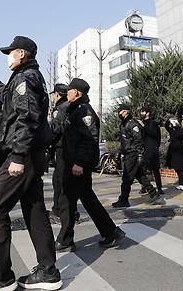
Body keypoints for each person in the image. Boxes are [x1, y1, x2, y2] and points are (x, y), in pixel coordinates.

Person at [0, 36, 62, 291]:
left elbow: (27, 117)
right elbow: (11, 97)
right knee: (34, 210)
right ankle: (48, 271)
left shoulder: (25, 78)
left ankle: (2, 276)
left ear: (22, 53)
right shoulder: (25, 77)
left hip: (22, 154)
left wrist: (18, 157)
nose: (8, 57)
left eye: (10, 52)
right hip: (31, 153)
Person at [55, 78, 123, 252]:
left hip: (78, 166)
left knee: (67, 201)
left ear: (77, 92)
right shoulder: (75, 109)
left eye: (69, 90)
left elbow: (90, 140)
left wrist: (79, 163)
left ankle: (65, 239)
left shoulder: (85, 112)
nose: (67, 93)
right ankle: (111, 232)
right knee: (88, 200)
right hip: (74, 163)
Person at [112, 104, 165, 208]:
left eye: (121, 111)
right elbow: (125, 141)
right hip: (128, 153)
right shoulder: (124, 123)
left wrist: (140, 154)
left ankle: (123, 199)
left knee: (127, 178)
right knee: (140, 176)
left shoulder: (131, 123)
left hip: (133, 154)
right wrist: (120, 152)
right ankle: (155, 195)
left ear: (126, 111)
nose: (119, 113)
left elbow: (138, 139)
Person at [48, 83, 70, 218]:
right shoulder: (69, 106)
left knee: (59, 181)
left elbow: (55, 129)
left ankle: (62, 210)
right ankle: (59, 208)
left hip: (61, 148)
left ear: (57, 94)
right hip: (67, 148)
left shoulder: (61, 109)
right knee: (60, 180)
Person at [139, 107, 164, 194]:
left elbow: (154, 134)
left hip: (152, 150)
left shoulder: (153, 123)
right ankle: (144, 187)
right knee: (143, 170)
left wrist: (143, 126)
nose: (141, 113)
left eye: (143, 111)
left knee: (155, 170)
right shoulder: (140, 123)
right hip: (144, 150)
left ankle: (159, 188)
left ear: (148, 113)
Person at [164, 117, 183, 191]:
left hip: (179, 152)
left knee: (180, 168)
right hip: (174, 152)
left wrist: (176, 125)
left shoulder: (181, 131)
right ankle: (182, 184)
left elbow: (179, 135)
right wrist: (168, 120)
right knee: (177, 168)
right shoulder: (172, 131)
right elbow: (166, 126)